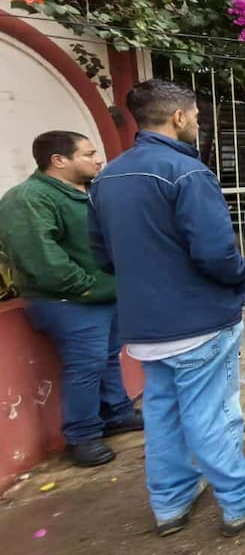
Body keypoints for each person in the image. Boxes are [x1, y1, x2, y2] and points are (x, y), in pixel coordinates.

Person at [89, 80, 245, 537]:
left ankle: (171, 502)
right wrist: (239, 279)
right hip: (197, 321)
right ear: (179, 117)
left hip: (144, 325)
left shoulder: (106, 177)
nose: (198, 124)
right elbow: (215, 253)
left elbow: (102, 255)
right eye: (197, 116)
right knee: (213, 414)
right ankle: (243, 497)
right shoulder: (186, 173)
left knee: (163, 414)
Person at [0, 131, 142, 468]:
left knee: (107, 356)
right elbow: (40, 257)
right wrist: (86, 286)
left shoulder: (89, 193)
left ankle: (117, 412)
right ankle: (82, 435)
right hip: (70, 301)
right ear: (59, 160)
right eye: (88, 154)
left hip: (105, 293)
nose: (97, 159)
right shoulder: (29, 198)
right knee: (86, 364)